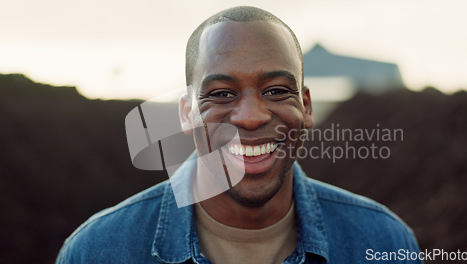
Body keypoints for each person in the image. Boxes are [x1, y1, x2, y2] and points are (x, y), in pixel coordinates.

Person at [56, 6, 421, 264]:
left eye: (277, 90)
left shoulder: (384, 242)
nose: (249, 117)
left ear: (306, 107)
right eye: (221, 94)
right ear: (187, 112)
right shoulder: (97, 251)